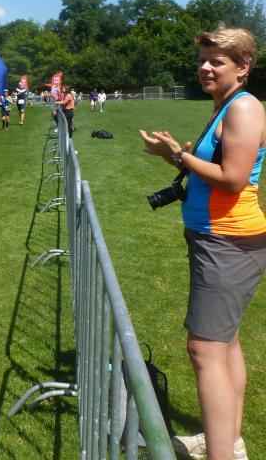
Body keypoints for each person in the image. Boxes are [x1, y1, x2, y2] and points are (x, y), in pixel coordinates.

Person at [139, 28, 265, 460]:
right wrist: (183, 155)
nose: (205, 67)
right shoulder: (226, 105)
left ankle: (221, 455)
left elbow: (233, 179)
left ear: (242, 67)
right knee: (224, 343)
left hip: (229, 242)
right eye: (202, 60)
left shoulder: (244, 108)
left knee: (204, 349)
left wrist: (177, 156)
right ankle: (227, 442)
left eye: (217, 61)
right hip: (220, 239)